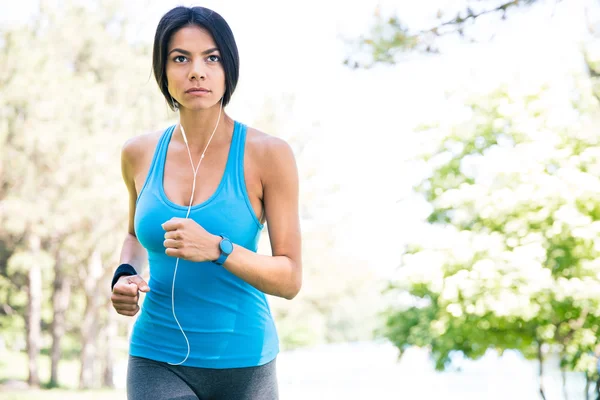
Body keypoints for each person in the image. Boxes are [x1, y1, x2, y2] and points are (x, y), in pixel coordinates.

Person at [109, 6, 302, 400]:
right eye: (180, 58)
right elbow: (134, 234)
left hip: (245, 365)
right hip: (156, 359)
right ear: (163, 71)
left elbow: (290, 278)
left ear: (228, 68)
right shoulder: (137, 153)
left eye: (211, 58)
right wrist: (125, 274)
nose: (197, 71)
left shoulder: (268, 154)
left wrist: (218, 248)